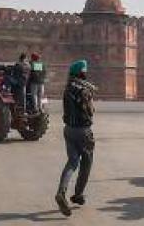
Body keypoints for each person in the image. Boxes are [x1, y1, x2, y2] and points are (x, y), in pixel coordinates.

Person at [55, 60, 96, 217]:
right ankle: (78, 195)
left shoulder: (67, 88)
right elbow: (90, 111)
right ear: (82, 73)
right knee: (86, 164)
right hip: (83, 131)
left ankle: (61, 192)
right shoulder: (85, 90)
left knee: (72, 162)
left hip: (69, 130)